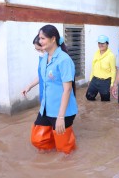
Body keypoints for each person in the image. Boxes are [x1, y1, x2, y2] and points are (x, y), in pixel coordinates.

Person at [31, 24, 78, 154]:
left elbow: (67, 90)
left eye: (42, 38)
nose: (40, 41)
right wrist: (29, 86)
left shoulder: (64, 60)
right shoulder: (45, 57)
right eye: (39, 38)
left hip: (62, 111)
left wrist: (61, 117)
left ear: (53, 39)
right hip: (46, 108)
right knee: (38, 139)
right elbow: (43, 78)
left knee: (64, 150)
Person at [86, 35, 116, 102]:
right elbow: (93, 67)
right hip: (95, 79)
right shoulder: (96, 53)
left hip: (105, 81)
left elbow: (113, 71)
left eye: (102, 43)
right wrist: (90, 79)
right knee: (89, 97)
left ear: (107, 44)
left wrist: (112, 84)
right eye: (99, 43)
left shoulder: (111, 56)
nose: (100, 45)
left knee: (105, 101)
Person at [22, 35, 45, 102]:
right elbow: (41, 75)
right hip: (44, 96)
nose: (39, 52)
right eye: (37, 49)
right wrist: (29, 86)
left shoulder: (59, 60)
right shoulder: (42, 57)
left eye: (40, 49)